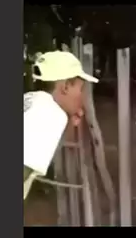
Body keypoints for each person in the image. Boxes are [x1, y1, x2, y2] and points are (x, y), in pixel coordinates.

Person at [23, 50, 98, 200]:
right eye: (80, 89)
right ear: (65, 87)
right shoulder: (49, 113)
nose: (82, 96)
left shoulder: (31, 100)